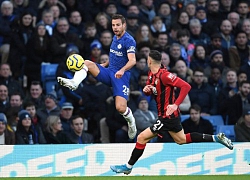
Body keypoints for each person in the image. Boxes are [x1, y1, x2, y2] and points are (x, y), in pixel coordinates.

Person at [110, 50, 233, 175]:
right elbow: (151, 91)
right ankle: (216, 138)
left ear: (150, 61)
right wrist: (147, 90)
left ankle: (128, 166)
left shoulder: (165, 75)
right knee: (181, 139)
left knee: (141, 138)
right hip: (168, 115)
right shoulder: (152, 74)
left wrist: (175, 105)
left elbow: (186, 86)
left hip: (167, 116)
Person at [57, 14, 137, 140]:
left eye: (118, 25)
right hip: (109, 71)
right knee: (87, 63)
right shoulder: (115, 38)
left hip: (121, 76)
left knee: (120, 108)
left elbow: (132, 61)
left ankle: (131, 122)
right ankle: (74, 82)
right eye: (113, 25)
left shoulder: (129, 40)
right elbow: (114, 57)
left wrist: (121, 70)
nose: (115, 28)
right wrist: (103, 65)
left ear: (124, 25)